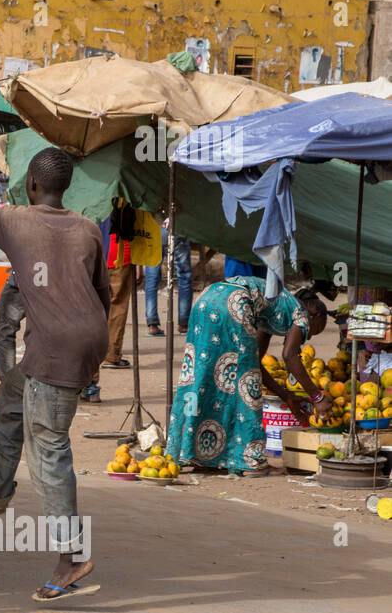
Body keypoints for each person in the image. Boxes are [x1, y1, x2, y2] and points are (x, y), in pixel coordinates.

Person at [0, 147, 110, 601]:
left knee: (48, 450)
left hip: (58, 348)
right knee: (13, 393)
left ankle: (72, 557)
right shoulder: (87, 228)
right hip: (88, 336)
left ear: (31, 183)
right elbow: (102, 294)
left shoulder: (14, 219)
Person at [167, 279, 331, 475]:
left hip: (207, 299)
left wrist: (285, 396)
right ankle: (253, 461)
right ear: (316, 315)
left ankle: (197, 453)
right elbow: (289, 355)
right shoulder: (301, 313)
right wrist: (317, 396)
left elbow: (256, 362)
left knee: (201, 376)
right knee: (247, 384)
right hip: (235, 303)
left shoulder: (275, 306)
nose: (309, 336)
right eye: (315, 330)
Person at [102, 199, 135, 369]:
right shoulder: (124, 194)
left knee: (97, 305)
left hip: (97, 252)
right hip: (119, 253)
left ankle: (99, 353)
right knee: (118, 304)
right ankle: (112, 355)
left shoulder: (94, 195)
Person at [144, 226, 193, 336]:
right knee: (184, 277)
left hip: (154, 229)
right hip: (176, 227)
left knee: (151, 279)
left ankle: (152, 323)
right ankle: (184, 323)